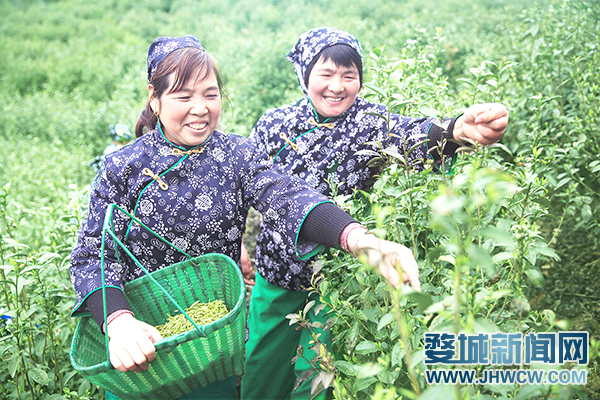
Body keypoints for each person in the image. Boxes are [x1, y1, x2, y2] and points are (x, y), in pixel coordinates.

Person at [69, 34, 422, 400]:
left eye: (210, 94)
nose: (201, 108)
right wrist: (119, 321)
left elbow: (288, 197)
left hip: (209, 351)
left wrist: (359, 239)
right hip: (139, 350)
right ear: (154, 99)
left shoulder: (234, 155)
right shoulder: (123, 166)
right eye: (183, 96)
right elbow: (91, 254)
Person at [241, 27, 509, 400]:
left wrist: (457, 130)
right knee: (262, 365)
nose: (337, 86)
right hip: (278, 270)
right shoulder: (274, 124)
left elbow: (411, 135)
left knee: (320, 372)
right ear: (305, 76)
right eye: (326, 74)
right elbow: (248, 182)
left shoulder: (370, 121)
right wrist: (242, 241)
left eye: (349, 76)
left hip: (339, 276)